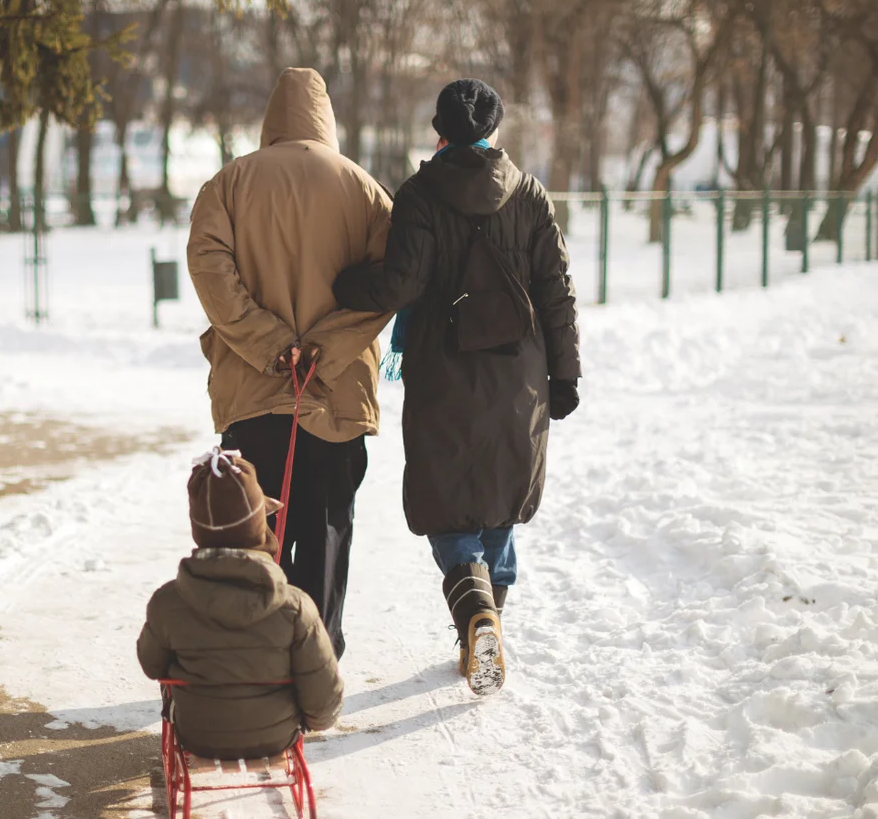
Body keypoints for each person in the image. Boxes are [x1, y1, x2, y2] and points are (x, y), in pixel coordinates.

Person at [333, 79, 582, 695]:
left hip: (440, 374)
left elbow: (397, 287)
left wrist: (343, 286)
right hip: (518, 377)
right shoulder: (530, 195)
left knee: (448, 502)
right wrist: (566, 373)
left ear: (439, 135)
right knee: (500, 495)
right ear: (494, 134)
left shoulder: (418, 196)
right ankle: (488, 618)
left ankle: (473, 613)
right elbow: (557, 292)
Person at [186, 67, 394, 659]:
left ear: (271, 118)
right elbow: (390, 286)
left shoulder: (227, 185)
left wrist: (269, 343)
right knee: (326, 529)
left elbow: (210, 269)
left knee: (253, 531)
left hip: (253, 393)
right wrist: (324, 348)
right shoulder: (365, 190)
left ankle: (252, 660)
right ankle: (317, 658)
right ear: (326, 118)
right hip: (336, 392)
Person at [136, 448, 344, 759]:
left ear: (198, 529)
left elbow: (152, 665)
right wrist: (313, 721)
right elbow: (323, 699)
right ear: (260, 524)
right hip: (277, 735)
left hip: (198, 735)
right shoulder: (295, 607)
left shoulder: (168, 602)